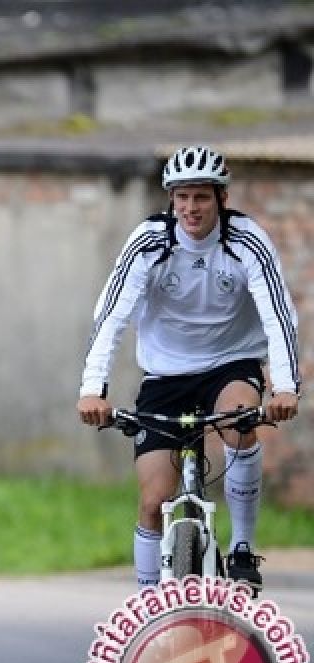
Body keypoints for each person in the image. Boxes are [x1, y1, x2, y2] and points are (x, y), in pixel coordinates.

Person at [78, 144, 301, 592]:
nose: (190, 208)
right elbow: (112, 316)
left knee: (239, 419)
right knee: (153, 499)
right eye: (181, 197)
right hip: (166, 374)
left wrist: (284, 385)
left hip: (230, 360)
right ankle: (146, 606)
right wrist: (92, 389)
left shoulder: (246, 240)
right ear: (171, 200)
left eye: (200, 196)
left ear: (221, 197)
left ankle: (241, 548)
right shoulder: (149, 241)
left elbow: (278, 313)